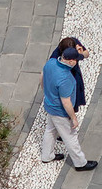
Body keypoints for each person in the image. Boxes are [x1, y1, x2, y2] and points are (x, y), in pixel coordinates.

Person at [41, 36, 96, 170]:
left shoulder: (51, 63)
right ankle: (80, 163)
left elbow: (42, 79)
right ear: (71, 61)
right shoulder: (66, 78)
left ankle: (46, 156)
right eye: (76, 59)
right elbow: (66, 103)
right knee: (71, 137)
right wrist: (74, 118)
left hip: (49, 105)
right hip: (60, 112)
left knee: (50, 130)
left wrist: (48, 94)